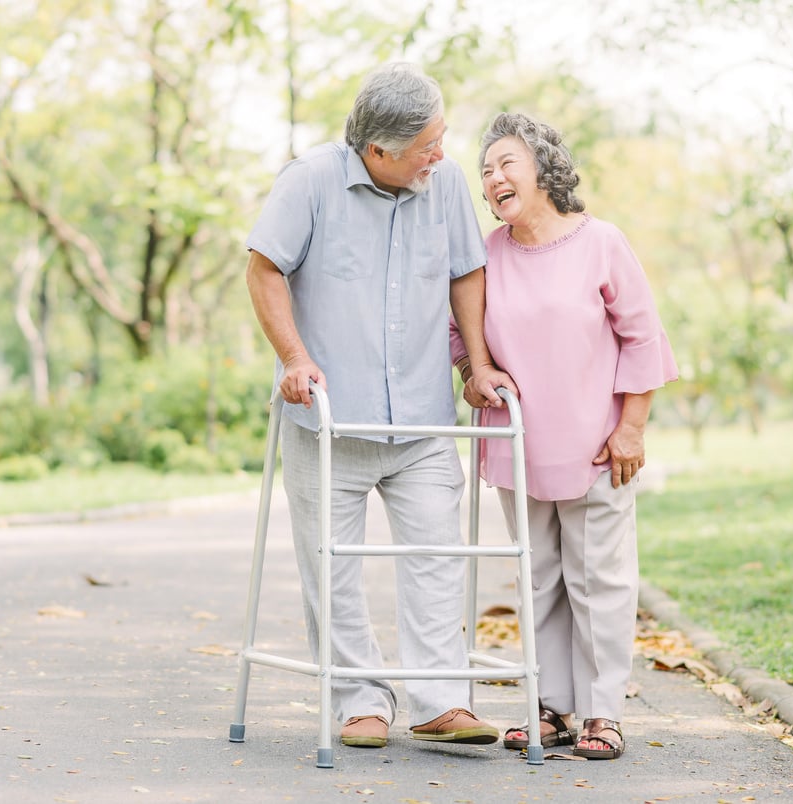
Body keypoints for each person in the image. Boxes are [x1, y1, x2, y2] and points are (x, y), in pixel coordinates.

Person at [245, 63, 511, 750]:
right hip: (331, 419)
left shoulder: (444, 184)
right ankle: (359, 700)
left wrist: (477, 365)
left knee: (437, 554)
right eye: (429, 143)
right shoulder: (308, 181)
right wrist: (294, 357)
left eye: (442, 136)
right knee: (331, 566)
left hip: (421, 417)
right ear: (378, 152)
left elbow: (467, 271)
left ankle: (441, 702)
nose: (443, 155)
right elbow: (264, 267)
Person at [451, 111, 678, 760]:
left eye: (505, 164)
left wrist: (633, 427)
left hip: (598, 447)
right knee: (538, 579)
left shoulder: (601, 241)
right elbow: (459, 335)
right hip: (517, 446)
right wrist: (474, 370)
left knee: (598, 580)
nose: (493, 179)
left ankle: (603, 713)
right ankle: (550, 707)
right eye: (486, 171)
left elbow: (643, 338)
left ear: (544, 169)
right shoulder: (485, 254)